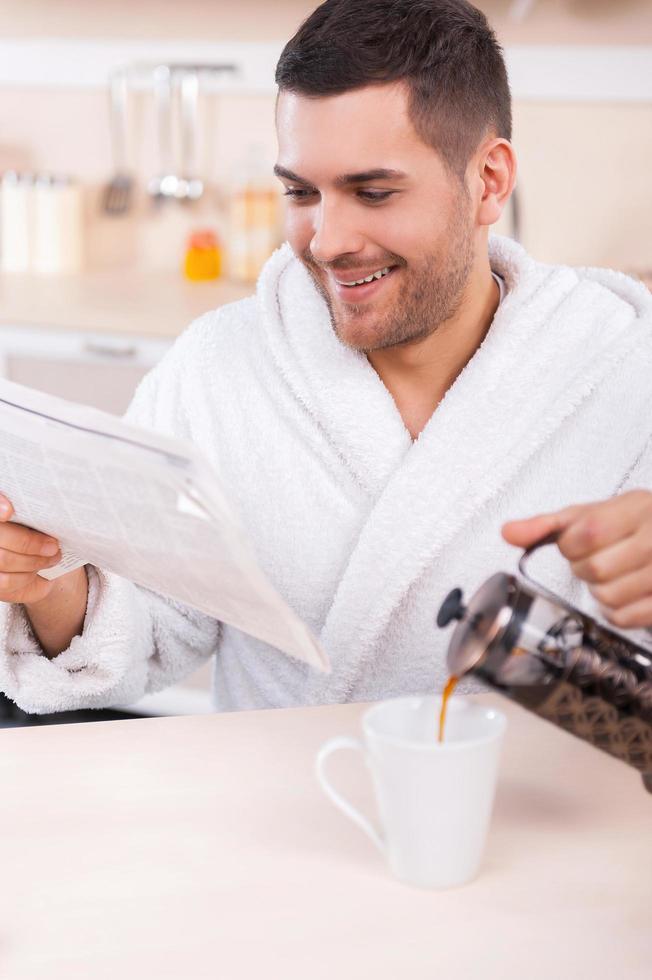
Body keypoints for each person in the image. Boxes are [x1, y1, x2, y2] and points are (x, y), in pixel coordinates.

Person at [0, 0, 650, 715]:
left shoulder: (621, 375)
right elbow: (144, 632)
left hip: (553, 815)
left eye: (373, 192)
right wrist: (45, 581)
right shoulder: (223, 367)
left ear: (489, 181)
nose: (327, 240)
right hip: (288, 806)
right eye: (301, 192)